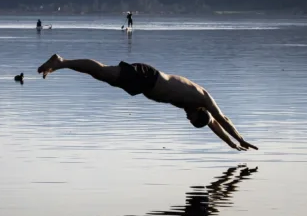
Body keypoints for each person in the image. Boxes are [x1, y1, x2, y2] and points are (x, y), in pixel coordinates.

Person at [37, 54, 258, 151]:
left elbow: (214, 125)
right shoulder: (202, 98)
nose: (187, 117)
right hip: (147, 77)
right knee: (103, 72)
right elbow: (222, 119)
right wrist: (241, 138)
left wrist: (230, 144)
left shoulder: (198, 109)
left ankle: (62, 63)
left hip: (144, 84)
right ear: (198, 112)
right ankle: (61, 62)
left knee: (102, 76)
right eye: (191, 119)